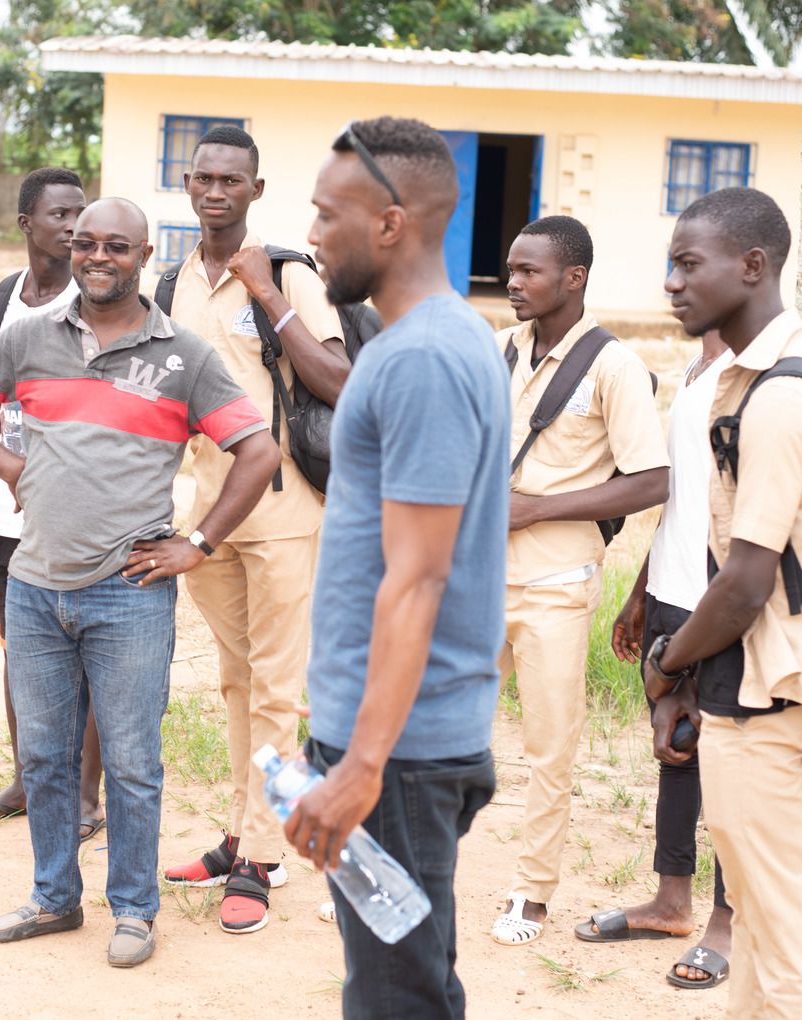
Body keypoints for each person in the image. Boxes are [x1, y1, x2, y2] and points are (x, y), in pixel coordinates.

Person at [0, 197, 280, 968]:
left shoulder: (183, 355)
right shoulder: (29, 337)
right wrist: (12, 467)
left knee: (130, 763)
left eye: (116, 246)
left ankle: (134, 911)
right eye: (85, 243)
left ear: (145, 256)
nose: (96, 257)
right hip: (34, 586)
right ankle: (54, 899)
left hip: (129, 592)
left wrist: (198, 542)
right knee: (45, 759)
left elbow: (259, 451)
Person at [285, 117, 509, 1019]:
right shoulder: (432, 340)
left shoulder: (421, 360)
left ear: (389, 224)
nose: (311, 235)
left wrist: (362, 762)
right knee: (411, 979)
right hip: (394, 735)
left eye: (327, 214)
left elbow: (417, 577)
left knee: (396, 999)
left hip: (402, 755)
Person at [645, 186, 802, 1018]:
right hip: (759, 676)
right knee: (762, 915)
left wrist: (668, 665)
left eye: (689, 264)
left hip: (772, 685)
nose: (671, 283)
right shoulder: (752, 378)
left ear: (753, 265)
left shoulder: (782, 396)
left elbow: (744, 580)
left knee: (779, 916)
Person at [157, 125, 351, 934]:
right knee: (237, 684)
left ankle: (262, 860)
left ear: (256, 190)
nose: (215, 192)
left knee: (274, 689)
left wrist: (268, 293)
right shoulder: (170, 283)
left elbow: (340, 380)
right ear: (188, 184)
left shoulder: (290, 273)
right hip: (208, 516)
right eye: (203, 178)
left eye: (231, 180)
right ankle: (241, 833)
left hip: (282, 514)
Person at [490, 215, 670, 946]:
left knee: (548, 747)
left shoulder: (613, 366)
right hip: (477, 577)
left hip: (557, 584)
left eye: (528, 271)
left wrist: (537, 508)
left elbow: (652, 479)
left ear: (574, 278)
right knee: (437, 730)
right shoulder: (503, 349)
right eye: (511, 269)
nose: (513, 282)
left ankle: (531, 891)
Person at [0, 166, 105, 843]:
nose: (74, 226)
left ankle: (86, 796)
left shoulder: (98, 298)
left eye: (81, 213)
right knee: (20, 652)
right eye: (60, 214)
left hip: (75, 513)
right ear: (26, 224)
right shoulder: (0, 302)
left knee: (89, 655)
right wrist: (0, 471)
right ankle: (26, 781)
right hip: (3, 515)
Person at [600, 329, 736, 989]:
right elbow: (681, 501)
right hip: (671, 597)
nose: (673, 284)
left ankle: (727, 922)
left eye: (688, 275)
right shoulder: (694, 368)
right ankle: (672, 902)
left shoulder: (755, 374)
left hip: (725, 602)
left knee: (733, 762)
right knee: (677, 747)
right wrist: (640, 591)